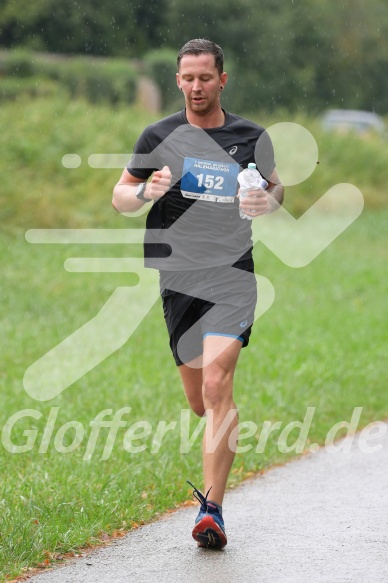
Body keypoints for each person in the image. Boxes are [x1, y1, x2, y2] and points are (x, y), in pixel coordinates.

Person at [112, 38, 284, 549]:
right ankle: (215, 456)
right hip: (179, 277)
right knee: (197, 400)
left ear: (222, 80)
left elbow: (276, 189)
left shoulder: (250, 136)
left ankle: (212, 510)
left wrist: (264, 200)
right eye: (187, 78)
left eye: (205, 78)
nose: (195, 87)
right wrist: (146, 192)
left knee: (217, 386)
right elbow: (120, 196)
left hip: (232, 274)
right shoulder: (159, 134)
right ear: (178, 80)